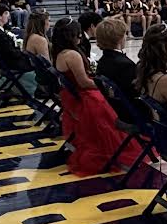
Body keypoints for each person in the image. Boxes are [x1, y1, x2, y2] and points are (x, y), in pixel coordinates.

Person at [51, 18, 135, 176]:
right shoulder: (72, 55)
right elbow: (83, 82)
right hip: (82, 95)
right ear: (73, 35)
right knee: (107, 109)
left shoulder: (59, 52)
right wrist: (105, 84)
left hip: (72, 94)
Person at [96, 17, 138, 119]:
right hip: (129, 113)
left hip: (113, 108)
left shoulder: (103, 60)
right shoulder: (125, 64)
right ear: (119, 38)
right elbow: (135, 93)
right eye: (124, 35)